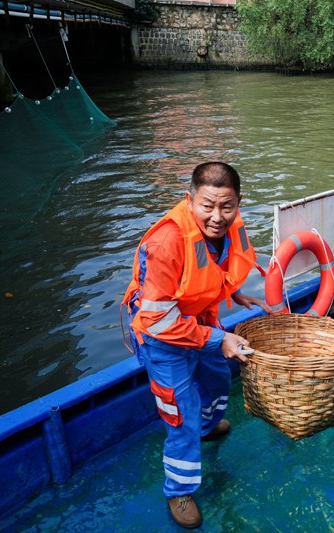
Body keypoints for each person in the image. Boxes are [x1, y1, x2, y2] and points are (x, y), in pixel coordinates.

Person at [121, 162, 271, 527]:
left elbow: (212, 271)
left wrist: (235, 291)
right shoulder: (165, 243)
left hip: (200, 323)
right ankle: (179, 491)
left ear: (238, 202)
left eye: (226, 206)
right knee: (181, 413)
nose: (217, 216)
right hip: (162, 338)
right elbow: (159, 319)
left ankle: (206, 428)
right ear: (190, 200)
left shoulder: (232, 228)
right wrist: (219, 338)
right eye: (207, 206)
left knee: (219, 380)